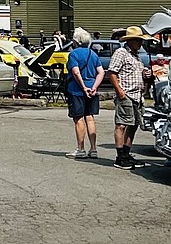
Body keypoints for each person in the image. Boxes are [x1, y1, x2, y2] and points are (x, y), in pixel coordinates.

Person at [107, 26, 152, 170]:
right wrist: (120, 91)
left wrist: (145, 76)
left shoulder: (136, 56)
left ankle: (126, 154)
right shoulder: (121, 52)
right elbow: (112, 72)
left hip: (137, 96)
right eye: (138, 40)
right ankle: (120, 157)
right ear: (131, 40)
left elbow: (136, 74)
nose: (140, 43)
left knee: (134, 124)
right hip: (126, 94)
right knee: (122, 124)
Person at [64, 27, 104, 159]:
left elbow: (75, 72)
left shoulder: (73, 54)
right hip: (92, 89)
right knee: (90, 117)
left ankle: (80, 148)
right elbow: (101, 72)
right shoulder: (93, 54)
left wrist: (83, 87)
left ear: (76, 41)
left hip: (77, 90)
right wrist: (94, 86)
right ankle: (93, 149)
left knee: (78, 119)